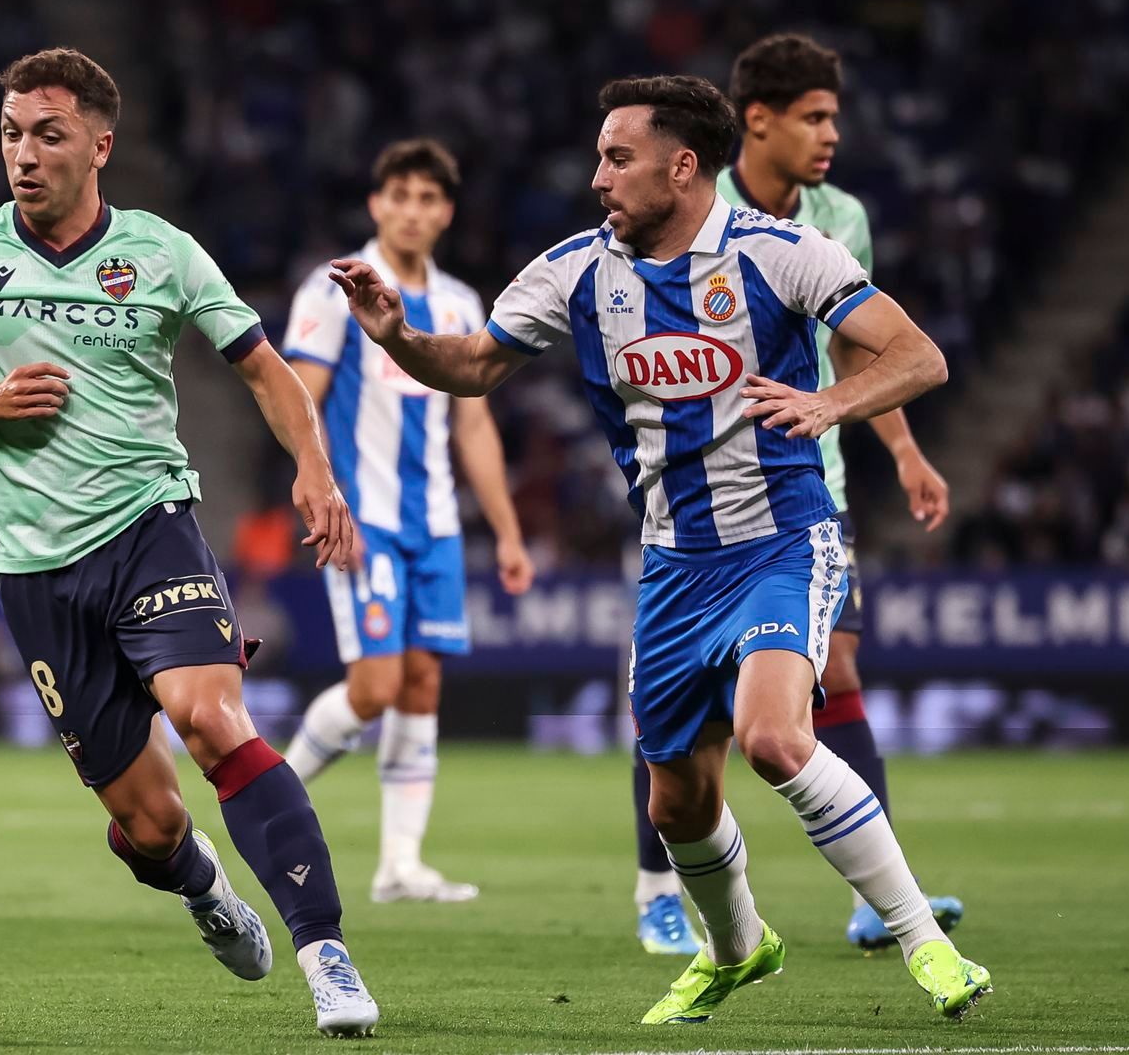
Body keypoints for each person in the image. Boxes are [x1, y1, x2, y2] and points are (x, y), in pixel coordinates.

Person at [328, 74, 992, 1024]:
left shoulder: (782, 252)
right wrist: (398, 337)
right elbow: (473, 365)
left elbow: (916, 355)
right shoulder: (574, 271)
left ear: (683, 168)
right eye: (600, 156)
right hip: (673, 564)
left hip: (782, 538)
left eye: (617, 157)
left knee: (773, 737)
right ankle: (737, 948)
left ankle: (925, 942)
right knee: (676, 804)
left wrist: (828, 403)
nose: (598, 176)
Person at [0, 47, 378, 1038]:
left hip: (148, 525)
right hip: (27, 564)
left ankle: (327, 957)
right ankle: (204, 892)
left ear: (100, 146)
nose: (25, 152)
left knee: (211, 718)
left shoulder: (162, 252)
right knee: (148, 826)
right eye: (14, 132)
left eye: (49, 134)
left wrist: (315, 473)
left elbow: (266, 371)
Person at [628, 33, 964, 957]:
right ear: (760, 122)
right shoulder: (689, 204)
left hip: (814, 482)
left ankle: (876, 897)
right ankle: (660, 883)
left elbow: (860, 343)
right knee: (679, 700)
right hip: (693, 498)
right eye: (814, 118)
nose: (830, 137)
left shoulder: (837, 216)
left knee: (838, 672)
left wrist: (900, 448)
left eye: (835, 119)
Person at [279, 138, 534, 903]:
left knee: (421, 683)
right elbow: (301, 395)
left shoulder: (459, 303)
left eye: (429, 199)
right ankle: (265, 793)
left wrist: (509, 530)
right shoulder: (335, 291)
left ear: (446, 212)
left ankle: (399, 865)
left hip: (438, 528)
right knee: (375, 685)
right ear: (376, 204)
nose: (413, 211)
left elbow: (475, 428)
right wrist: (313, 481)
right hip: (367, 519)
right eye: (401, 196)